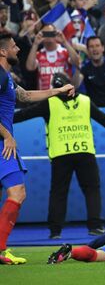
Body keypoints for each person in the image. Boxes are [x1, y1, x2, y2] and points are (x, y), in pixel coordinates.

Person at [13, 73, 105, 239]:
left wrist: (4, 119)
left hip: (61, 154)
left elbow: (23, 115)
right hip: (85, 152)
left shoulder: (49, 103)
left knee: (59, 193)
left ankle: (55, 231)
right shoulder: (84, 101)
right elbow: (103, 119)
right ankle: (95, 226)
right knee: (91, 189)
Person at [0, 35, 75, 264]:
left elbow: (26, 95)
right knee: (17, 192)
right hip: (3, 144)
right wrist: (7, 135)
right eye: (13, 47)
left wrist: (57, 91)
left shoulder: (6, 78)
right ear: (3, 52)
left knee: (15, 193)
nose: (18, 50)